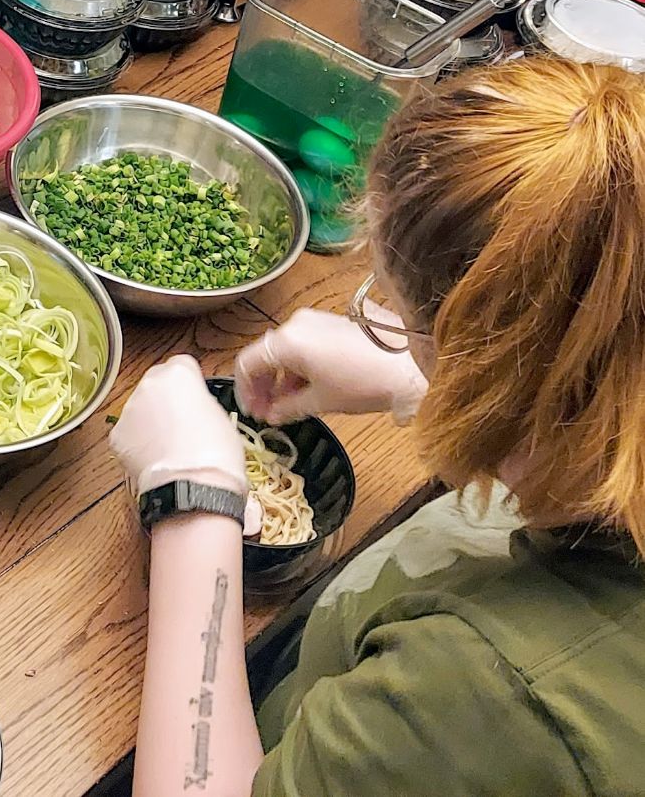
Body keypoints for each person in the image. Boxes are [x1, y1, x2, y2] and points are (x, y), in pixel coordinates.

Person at [110, 56, 645, 796]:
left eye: (394, 309)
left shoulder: (500, 693)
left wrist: (193, 503)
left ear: (478, 344)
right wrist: (419, 383)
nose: (388, 324)